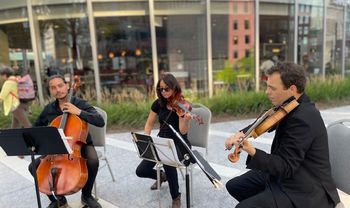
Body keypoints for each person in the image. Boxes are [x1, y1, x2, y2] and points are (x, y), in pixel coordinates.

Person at [225, 62, 340, 208]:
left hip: (304, 189)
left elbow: (285, 166)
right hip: (288, 174)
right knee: (235, 186)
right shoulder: (291, 105)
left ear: (292, 89)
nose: (267, 92)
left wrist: (252, 151)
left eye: (272, 88)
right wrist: (240, 134)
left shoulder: (304, 117)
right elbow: (266, 121)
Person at [28, 75, 105, 208]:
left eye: (60, 85)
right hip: (56, 148)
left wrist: (79, 112)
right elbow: (36, 128)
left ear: (67, 86)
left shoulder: (79, 103)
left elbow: (99, 121)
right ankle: (57, 199)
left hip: (81, 144)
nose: (58, 90)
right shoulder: (49, 109)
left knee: (93, 160)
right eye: (53, 87)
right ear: (50, 91)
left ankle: (86, 195)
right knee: (33, 166)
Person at [135, 73, 192, 208]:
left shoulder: (181, 104)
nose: (164, 91)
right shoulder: (158, 104)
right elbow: (149, 124)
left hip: (179, 143)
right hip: (161, 142)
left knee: (167, 160)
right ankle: (161, 176)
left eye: (167, 88)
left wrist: (186, 120)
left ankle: (176, 196)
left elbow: (183, 131)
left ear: (174, 87)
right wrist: (146, 139)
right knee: (141, 170)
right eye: (161, 89)